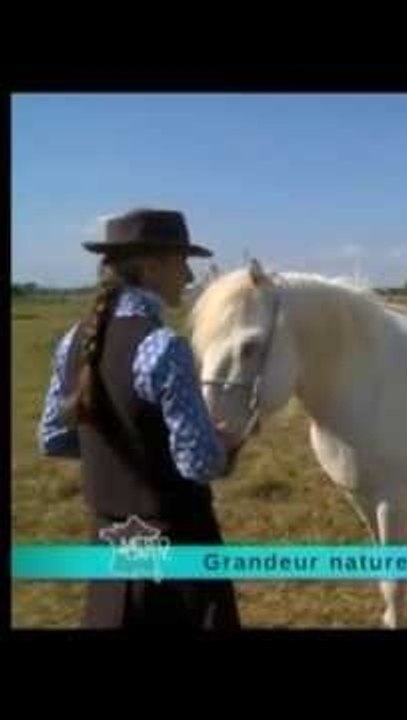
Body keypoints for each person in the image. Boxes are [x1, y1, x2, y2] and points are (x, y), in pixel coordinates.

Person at [37, 208, 245, 629]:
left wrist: (121, 451)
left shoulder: (72, 341)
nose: (188, 276)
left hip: (109, 546)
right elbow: (200, 464)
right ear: (151, 266)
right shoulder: (164, 346)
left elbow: (53, 438)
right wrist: (224, 441)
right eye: (181, 262)